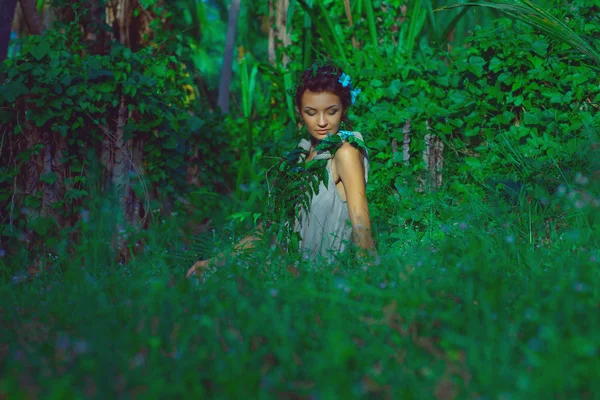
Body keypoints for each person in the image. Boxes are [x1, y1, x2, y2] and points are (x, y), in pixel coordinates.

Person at [186, 63, 378, 279]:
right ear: (299, 112)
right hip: (278, 276)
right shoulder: (298, 157)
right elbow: (268, 229)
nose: (322, 122)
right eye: (311, 112)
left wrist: (369, 279)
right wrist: (215, 262)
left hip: (319, 281)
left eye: (331, 112)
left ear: (344, 109)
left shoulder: (345, 151)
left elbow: (361, 221)